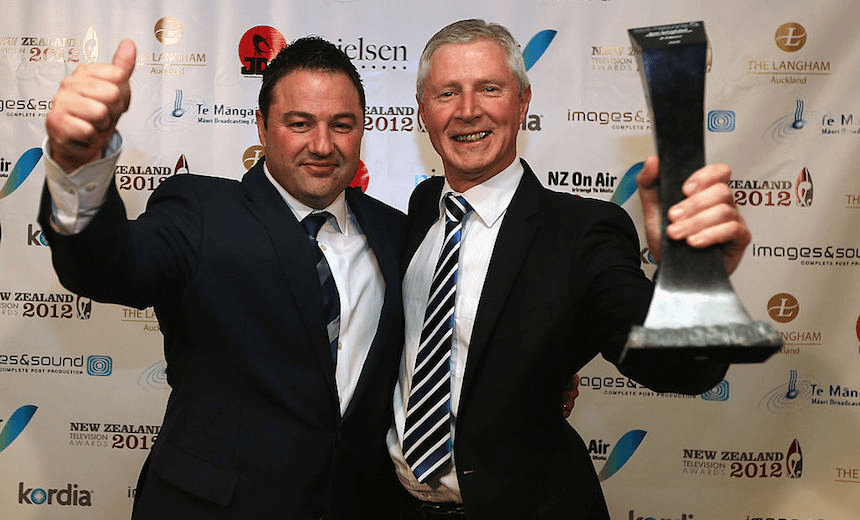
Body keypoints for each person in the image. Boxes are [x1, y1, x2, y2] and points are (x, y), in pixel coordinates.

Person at [386, 19, 752, 519]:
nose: (467, 110)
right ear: (424, 110)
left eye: (489, 89)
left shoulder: (583, 231)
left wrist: (692, 276)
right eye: (447, 92)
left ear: (523, 101)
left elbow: (683, 366)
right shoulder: (424, 205)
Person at [39, 36, 405, 519]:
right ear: (262, 125)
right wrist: (80, 164)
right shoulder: (201, 211)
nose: (322, 145)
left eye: (342, 125)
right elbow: (107, 266)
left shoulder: (397, 231)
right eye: (299, 123)